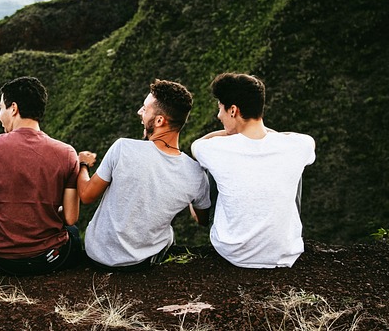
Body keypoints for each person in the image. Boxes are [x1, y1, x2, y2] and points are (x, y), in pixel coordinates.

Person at [78, 79, 211, 272]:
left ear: (159, 121)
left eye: (145, 109)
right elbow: (202, 220)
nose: (139, 112)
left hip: (98, 255)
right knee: (168, 234)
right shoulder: (196, 174)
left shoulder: (123, 148)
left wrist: (82, 164)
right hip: (142, 262)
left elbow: (86, 195)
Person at [191, 72, 316, 269]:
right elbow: (298, 139)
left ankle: (204, 220)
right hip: (284, 253)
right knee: (292, 167)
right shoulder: (299, 145)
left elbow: (196, 145)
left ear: (233, 110)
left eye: (220, 108)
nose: (218, 116)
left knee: (210, 168)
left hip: (233, 252)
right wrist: (266, 134)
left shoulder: (214, 148)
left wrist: (229, 133)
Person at [0, 76, 82, 276]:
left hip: (3, 261)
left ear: (13, 108)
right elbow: (71, 217)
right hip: (49, 259)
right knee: (73, 233)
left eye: (1, 108)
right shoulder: (67, 153)